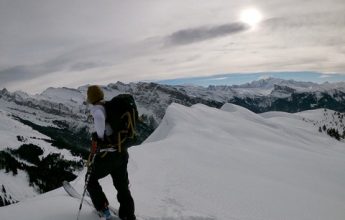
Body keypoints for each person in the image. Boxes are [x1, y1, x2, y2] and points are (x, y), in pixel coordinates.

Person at [86, 85, 136, 220]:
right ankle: (128, 216)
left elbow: (100, 121)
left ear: (91, 98)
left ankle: (104, 210)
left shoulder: (97, 110)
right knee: (122, 187)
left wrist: (100, 138)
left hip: (108, 155)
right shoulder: (110, 106)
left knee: (90, 179)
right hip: (122, 152)